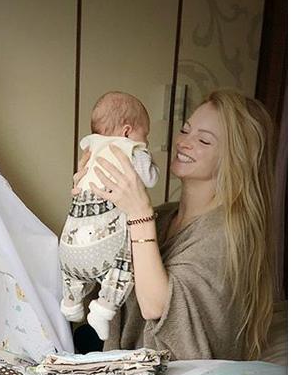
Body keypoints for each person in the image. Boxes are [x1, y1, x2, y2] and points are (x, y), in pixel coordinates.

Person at [72, 89, 274, 361]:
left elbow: (155, 306)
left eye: (203, 140)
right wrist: (91, 204)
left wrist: (139, 213)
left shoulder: (226, 236)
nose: (183, 142)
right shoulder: (164, 216)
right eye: (185, 130)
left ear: (236, 158)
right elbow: (99, 278)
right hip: (121, 355)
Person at [59, 92, 158, 340]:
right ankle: (103, 310)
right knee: (127, 263)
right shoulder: (129, 149)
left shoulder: (90, 147)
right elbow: (150, 178)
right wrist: (145, 155)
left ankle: (71, 302)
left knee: (73, 269)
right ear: (127, 131)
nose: (145, 141)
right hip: (104, 240)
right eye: (144, 135)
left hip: (72, 238)